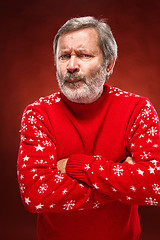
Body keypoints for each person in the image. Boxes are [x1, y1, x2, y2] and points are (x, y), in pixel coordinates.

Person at [17, 16, 160, 240]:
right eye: (64, 56)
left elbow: (154, 185)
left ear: (109, 64)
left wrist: (76, 165)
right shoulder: (38, 113)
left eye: (84, 55)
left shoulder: (138, 109)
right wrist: (122, 184)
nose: (72, 66)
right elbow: (34, 194)